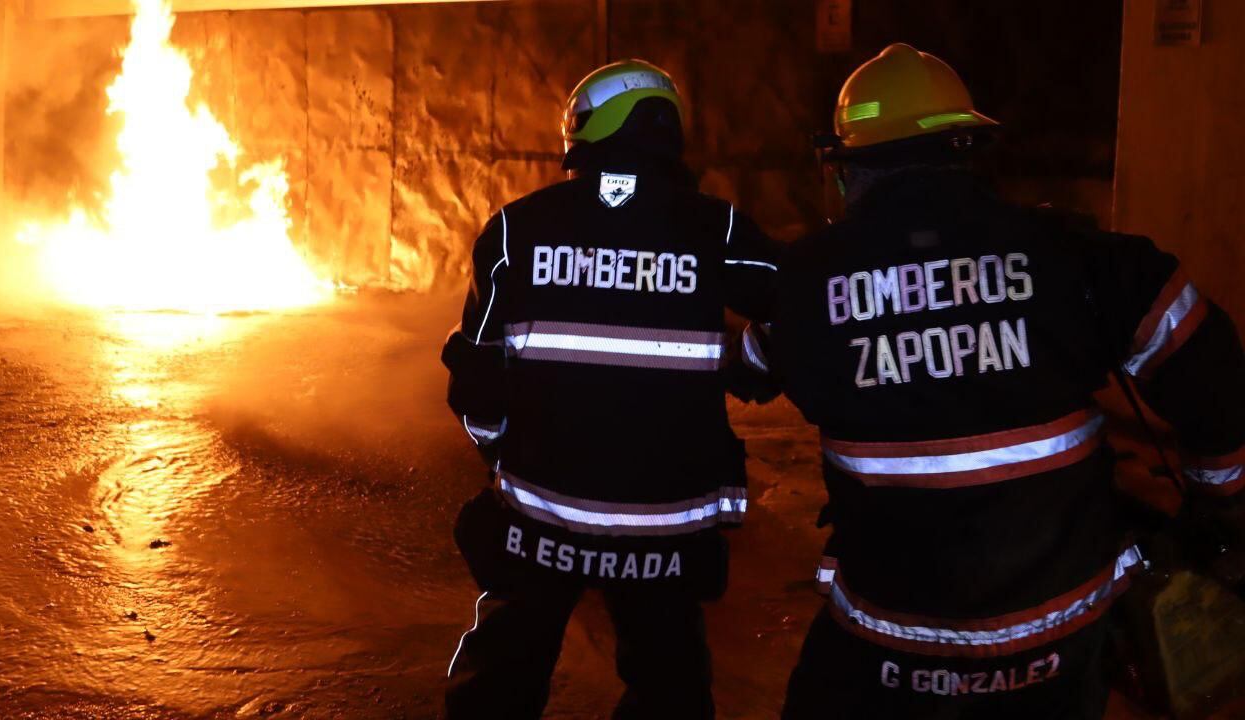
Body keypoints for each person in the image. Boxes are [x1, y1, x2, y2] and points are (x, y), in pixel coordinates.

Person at [771, 43, 1245, 719]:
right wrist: (1217, 502)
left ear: (852, 169)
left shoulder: (811, 278)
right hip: (1056, 644)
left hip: (890, 651)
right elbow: (1205, 356)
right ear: (966, 150)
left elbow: (770, 366)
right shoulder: (1071, 254)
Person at [440, 59, 778, 719]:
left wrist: (498, 456)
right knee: (669, 683)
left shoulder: (517, 228)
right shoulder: (719, 228)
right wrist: (751, 366)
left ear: (587, 130)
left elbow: (478, 376)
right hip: (667, 529)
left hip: (541, 518)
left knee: (501, 675)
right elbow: (802, 306)